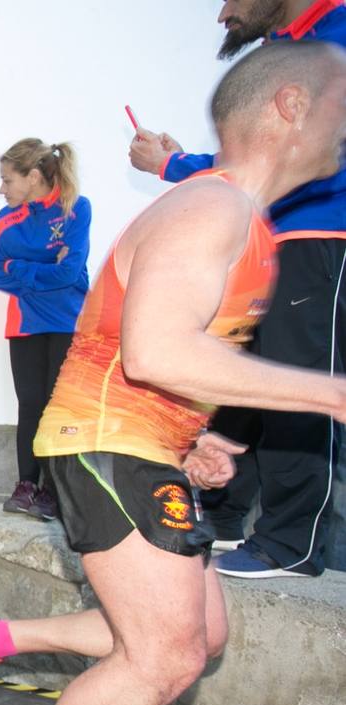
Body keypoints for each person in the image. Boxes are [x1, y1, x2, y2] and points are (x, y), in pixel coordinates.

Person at [0, 41, 346, 705]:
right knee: (167, 659)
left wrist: (193, 435)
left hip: (141, 444)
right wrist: (330, 395)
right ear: (291, 107)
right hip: (105, 442)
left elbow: (153, 349)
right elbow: (158, 351)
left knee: (200, 637)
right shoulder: (212, 210)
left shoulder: (241, 222)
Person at [129, 0, 346, 577]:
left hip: (322, 233)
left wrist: (174, 165)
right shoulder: (287, 48)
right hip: (272, 239)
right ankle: (226, 518)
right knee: (247, 372)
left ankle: (291, 544)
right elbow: (253, 156)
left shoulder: (338, 36)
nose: (223, 11)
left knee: (300, 383)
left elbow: (304, 157)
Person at [0, 139, 91, 521]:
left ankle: (53, 492)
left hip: (67, 320)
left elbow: (70, 273)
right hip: (25, 323)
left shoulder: (76, 209)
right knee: (29, 405)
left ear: (32, 177)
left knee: (57, 406)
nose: (2, 189)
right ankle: (26, 484)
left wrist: (21, 268)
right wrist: (44, 266)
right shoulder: (5, 218)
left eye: (7, 180)